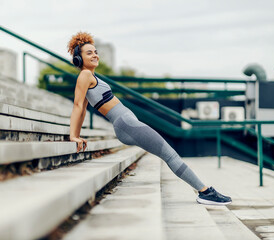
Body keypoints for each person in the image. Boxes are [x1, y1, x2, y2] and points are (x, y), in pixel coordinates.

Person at [67, 31, 231, 205]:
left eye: (95, 51)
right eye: (89, 53)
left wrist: (76, 134)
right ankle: (204, 192)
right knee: (171, 155)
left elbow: (83, 109)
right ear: (79, 59)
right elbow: (78, 106)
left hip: (128, 123)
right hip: (126, 124)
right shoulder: (84, 75)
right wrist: (73, 135)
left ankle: (204, 191)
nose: (95, 55)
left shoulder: (90, 76)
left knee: (169, 154)